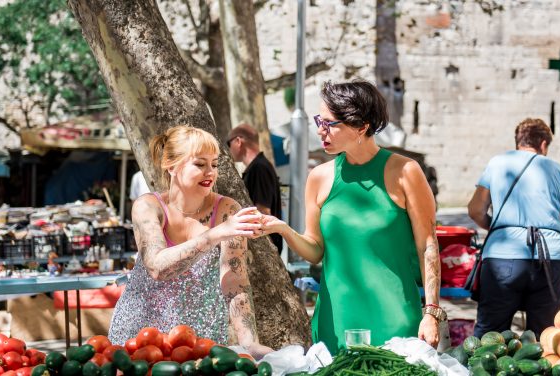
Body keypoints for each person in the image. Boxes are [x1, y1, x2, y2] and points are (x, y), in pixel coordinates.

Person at [257, 80, 443, 353]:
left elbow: (428, 245)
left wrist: (432, 311)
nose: (320, 129)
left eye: (330, 123)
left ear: (362, 126)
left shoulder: (406, 171)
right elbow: (315, 251)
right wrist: (283, 229)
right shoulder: (319, 177)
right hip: (335, 320)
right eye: (319, 120)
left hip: (395, 318)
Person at [108, 126, 272, 358]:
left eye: (214, 164)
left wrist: (250, 342)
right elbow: (157, 267)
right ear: (171, 166)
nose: (210, 172)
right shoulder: (148, 207)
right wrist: (216, 234)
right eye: (200, 164)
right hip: (141, 333)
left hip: (199, 336)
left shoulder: (227, 209)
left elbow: (235, 280)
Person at [468, 118, 560, 338]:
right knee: (545, 335)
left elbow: (475, 210)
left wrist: (501, 228)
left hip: (503, 258)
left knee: (489, 334)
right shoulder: (556, 169)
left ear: (518, 141)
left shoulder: (497, 163)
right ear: (543, 144)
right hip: (550, 259)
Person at [227, 123, 283, 253]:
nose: (228, 149)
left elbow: (263, 212)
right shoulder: (259, 166)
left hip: (265, 249)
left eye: (228, 144)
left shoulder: (259, 168)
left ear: (238, 141)